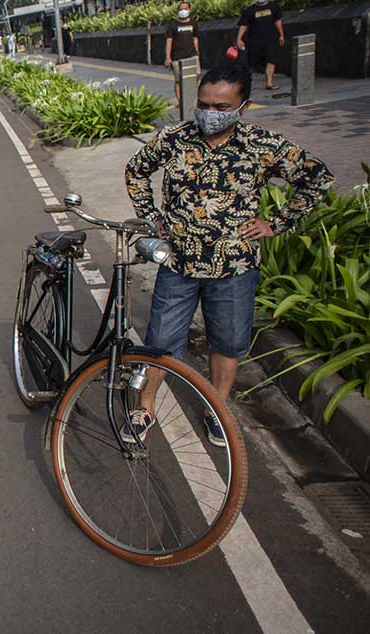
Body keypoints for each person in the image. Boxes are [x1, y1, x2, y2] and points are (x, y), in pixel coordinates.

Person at [124, 62, 333, 446]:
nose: (210, 113)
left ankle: (216, 407)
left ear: (243, 106)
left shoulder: (262, 146)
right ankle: (145, 404)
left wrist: (277, 222)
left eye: (222, 107)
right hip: (179, 262)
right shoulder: (174, 139)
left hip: (235, 265)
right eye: (204, 104)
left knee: (228, 341)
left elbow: (317, 176)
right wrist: (153, 217)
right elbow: (136, 171)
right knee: (161, 340)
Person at [237, 0, 285, 90]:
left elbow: (278, 21)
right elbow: (243, 25)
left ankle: (269, 83)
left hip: (271, 39)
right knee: (251, 64)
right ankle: (245, 84)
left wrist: (281, 35)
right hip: (254, 41)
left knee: (271, 60)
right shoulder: (249, 10)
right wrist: (239, 39)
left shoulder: (274, 6)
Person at [165, 1, 200, 105]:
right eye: (181, 9)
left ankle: (190, 95)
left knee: (197, 74)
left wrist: (197, 52)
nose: (183, 11)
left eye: (185, 9)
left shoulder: (193, 23)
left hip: (192, 54)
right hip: (177, 57)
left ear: (190, 10)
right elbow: (169, 41)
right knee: (178, 80)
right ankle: (181, 102)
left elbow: (195, 38)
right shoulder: (173, 25)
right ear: (178, 11)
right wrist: (168, 57)